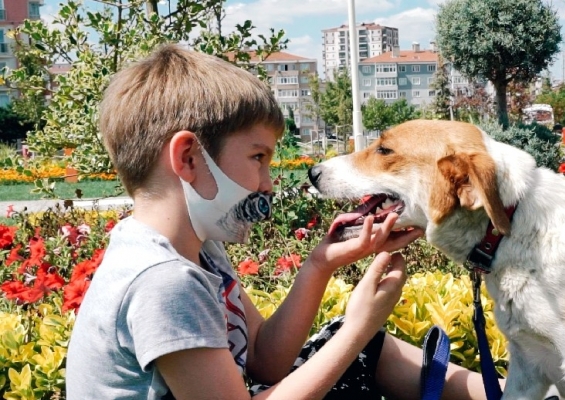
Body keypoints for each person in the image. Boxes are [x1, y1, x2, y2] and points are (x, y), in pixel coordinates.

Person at [65, 43, 494, 400]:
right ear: (189, 158)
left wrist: (320, 264)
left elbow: (266, 361)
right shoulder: (163, 282)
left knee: (363, 348)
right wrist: (361, 324)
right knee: (353, 345)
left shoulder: (199, 251)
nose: (268, 183)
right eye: (258, 158)